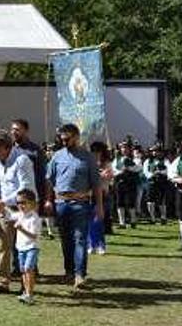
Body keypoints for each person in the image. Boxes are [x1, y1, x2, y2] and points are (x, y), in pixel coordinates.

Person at [44, 124, 104, 291]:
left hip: (81, 204)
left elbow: (96, 184)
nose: (64, 142)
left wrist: (99, 206)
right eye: (62, 139)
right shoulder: (56, 156)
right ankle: (69, 271)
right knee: (65, 240)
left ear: (76, 137)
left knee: (80, 239)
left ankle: (80, 275)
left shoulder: (88, 158)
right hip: (61, 204)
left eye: (67, 139)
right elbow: (49, 179)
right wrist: (48, 200)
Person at [0, 129, 36, 294]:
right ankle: (3, 282)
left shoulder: (22, 160)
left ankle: (26, 284)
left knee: (24, 247)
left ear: (5, 147)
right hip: (5, 210)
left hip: (24, 209)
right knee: (3, 246)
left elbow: (25, 188)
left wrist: (3, 201)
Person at [14, 188, 42, 305]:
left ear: (32, 203)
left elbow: (34, 236)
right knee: (23, 271)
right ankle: (26, 292)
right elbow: (9, 214)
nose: (20, 205)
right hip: (21, 247)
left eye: (23, 202)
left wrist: (22, 229)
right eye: (18, 203)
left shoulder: (34, 218)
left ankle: (30, 294)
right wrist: (2, 207)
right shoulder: (20, 215)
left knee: (28, 269)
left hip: (31, 247)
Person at [88, 142, 113, 255]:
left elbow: (109, 177)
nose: (96, 154)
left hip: (103, 194)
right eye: (94, 152)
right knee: (89, 221)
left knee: (99, 221)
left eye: (98, 152)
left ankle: (101, 245)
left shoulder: (107, 164)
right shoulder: (89, 163)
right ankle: (91, 244)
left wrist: (103, 174)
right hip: (90, 194)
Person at [114, 142, 141, 229]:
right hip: (120, 183)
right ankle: (122, 223)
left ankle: (133, 221)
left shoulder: (135, 158)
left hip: (130, 183)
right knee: (119, 203)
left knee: (130, 203)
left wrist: (128, 168)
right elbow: (113, 170)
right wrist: (120, 171)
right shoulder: (117, 159)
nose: (124, 150)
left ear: (129, 150)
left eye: (126, 148)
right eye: (122, 148)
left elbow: (138, 168)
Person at [144, 145, 170, 225]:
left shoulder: (165, 160)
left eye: (156, 151)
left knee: (161, 200)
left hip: (161, 182)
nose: (155, 153)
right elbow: (145, 171)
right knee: (150, 200)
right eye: (153, 151)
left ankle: (163, 217)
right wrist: (152, 175)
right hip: (151, 182)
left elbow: (169, 170)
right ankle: (152, 218)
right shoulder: (148, 161)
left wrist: (160, 172)